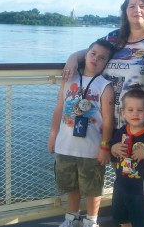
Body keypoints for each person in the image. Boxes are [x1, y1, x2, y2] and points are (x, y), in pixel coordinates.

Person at [62, 0, 144, 210]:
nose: (137, 10)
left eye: (142, 5)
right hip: (112, 120)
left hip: (140, 120)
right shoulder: (116, 38)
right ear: (125, 11)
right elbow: (90, 52)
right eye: (132, 6)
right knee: (124, 171)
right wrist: (71, 59)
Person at [48, 39, 115, 227]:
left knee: (93, 187)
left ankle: (91, 220)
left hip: (92, 149)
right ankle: (72, 217)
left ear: (105, 63)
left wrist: (104, 147)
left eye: (102, 58)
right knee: (71, 185)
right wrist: (53, 136)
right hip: (66, 145)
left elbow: (109, 121)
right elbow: (59, 108)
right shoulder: (69, 80)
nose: (95, 59)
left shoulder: (104, 86)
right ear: (85, 54)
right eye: (93, 53)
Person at [110, 89, 144, 227]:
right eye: (130, 109)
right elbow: (112, 152)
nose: (135, 113)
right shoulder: (121, 131)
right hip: (121, 187)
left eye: (140, 110)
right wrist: (113, 149)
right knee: (122, 219)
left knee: (141, 222)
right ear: (123, 113)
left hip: (141, 191)